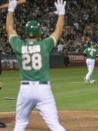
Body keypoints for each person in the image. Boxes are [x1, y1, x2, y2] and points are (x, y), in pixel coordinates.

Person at [6, 0, 66, 131]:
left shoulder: (19, 45)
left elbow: (9, 28)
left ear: (26, 32)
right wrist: (61, 14)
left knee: (20, 124)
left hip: (25, 89)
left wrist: (11, 10)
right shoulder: (44, 45)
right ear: (39, 32)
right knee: (55, 125)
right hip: (43, 89)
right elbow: (58, 30)